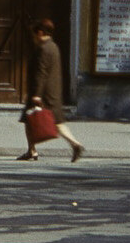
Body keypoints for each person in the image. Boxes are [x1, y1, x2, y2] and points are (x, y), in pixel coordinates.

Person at [19, 15, 83, 162]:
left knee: (30, 120)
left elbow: (41, 73)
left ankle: (33, 150)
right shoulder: (53, 47)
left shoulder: (43, 49)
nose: (34, 37)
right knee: (57, 123)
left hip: (43, 93)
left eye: (35, 33)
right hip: (53, 92)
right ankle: (74, 144)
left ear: (40, 33)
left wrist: (36, 94)